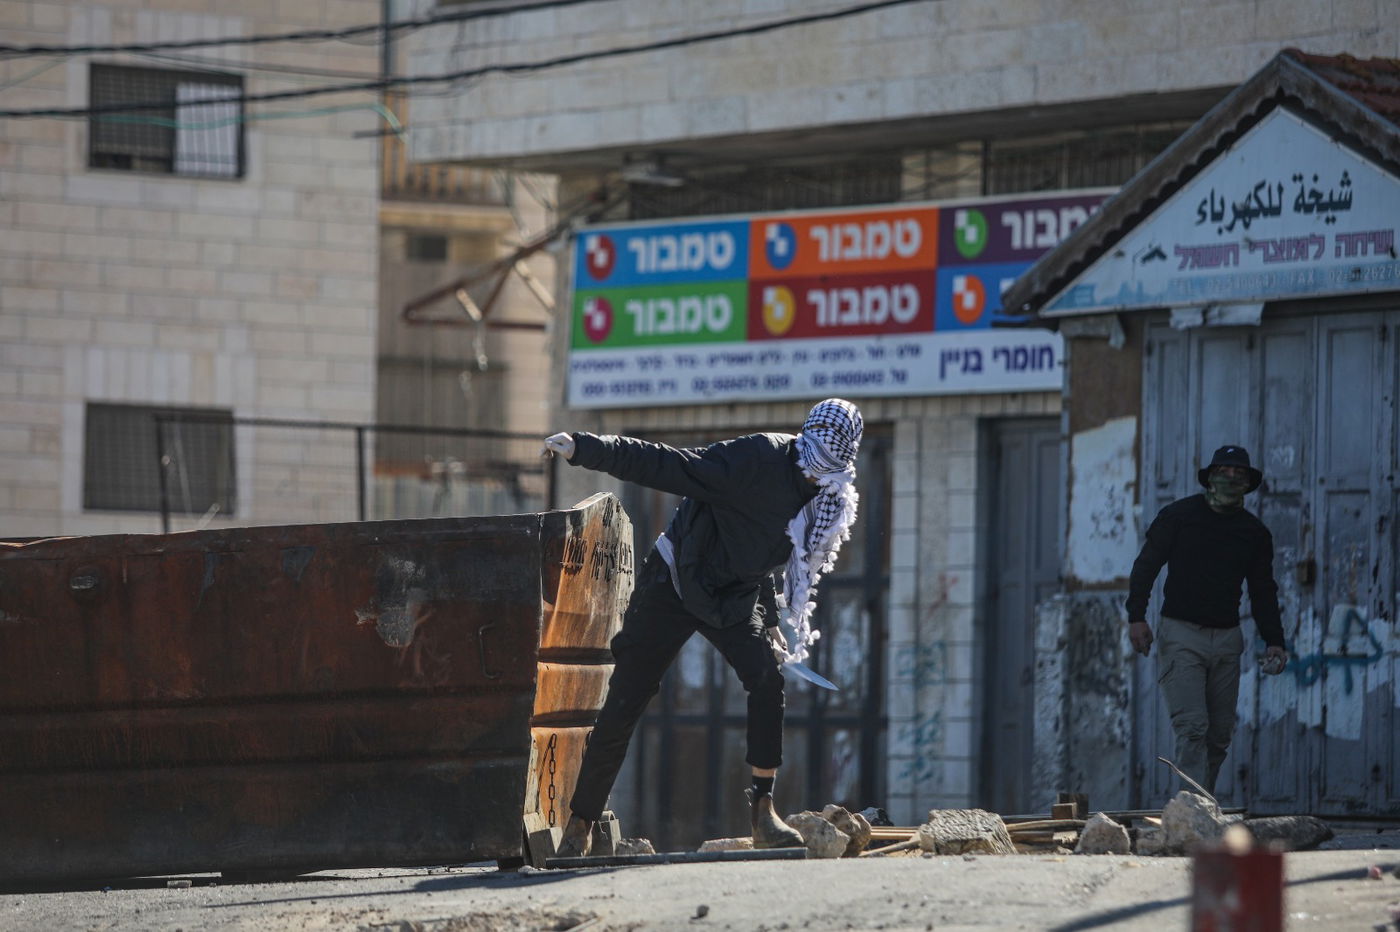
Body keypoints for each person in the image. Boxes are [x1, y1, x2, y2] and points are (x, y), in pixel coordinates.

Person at [540, 399, 864, 855]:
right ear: (802, 444)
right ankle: (581, 822)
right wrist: (586, 448)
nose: (815, 476)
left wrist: (768, 619)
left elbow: (768, 551)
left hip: (733, 597)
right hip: (676, 579)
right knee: (628, 695)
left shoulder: (828, 497)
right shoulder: (753, 459)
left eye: (827, 471)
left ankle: (763, 813)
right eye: (812, 465)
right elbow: (668, 464)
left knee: (767, 682)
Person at [1125, 444, 1288, 795]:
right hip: (1182, 634)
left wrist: (1275, 639)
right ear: (1209, 478)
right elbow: (1146, 565)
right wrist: (1136, 616)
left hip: (1228, 639)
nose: (1230, 479)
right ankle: (1192, 811)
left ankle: (1200, 805)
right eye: (1223, 472)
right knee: (1193, 727)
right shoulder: (1179, 517)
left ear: (1248, 484)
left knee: (1218, 735)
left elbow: (1263, 590)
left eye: (1238, 475)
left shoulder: (1253, 533)